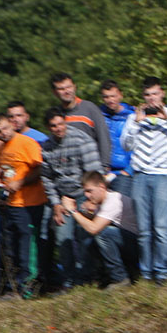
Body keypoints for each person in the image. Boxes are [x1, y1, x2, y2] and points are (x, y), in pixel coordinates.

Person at [121, 78, 167, 284]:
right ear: (143, 97)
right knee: (144, 230)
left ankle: (163, 272)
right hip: (141, 175)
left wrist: (166, 118)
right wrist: (136, 123)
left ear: (162, 95)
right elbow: (126, 145)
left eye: (155, 94)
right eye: (148, 95)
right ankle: (147, 273)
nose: (152, 98)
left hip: (165, 175)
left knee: (162, 227)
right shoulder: (134, 118)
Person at [41, 108, 103, 288]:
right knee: (63, 239)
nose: (58, 129)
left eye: (61, 124)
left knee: (85, 237)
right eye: (53, 126)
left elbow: (94, 172)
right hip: (62, 198)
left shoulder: (81, 140)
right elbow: (47, 178)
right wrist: (56, 204)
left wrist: (91, 200)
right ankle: (69, 280)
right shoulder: (46, 148)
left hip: (84, 194)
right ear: (48, 127)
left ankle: (88, 277)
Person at [0, 114, 45, 293]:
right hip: (12, 203)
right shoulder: (1, 147)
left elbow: (40, 169)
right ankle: (13, 284)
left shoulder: (27, 143)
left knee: (25, 245)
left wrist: (20, 183)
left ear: (12, 125)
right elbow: (8, 173)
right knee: (10, 245)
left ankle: (26, 284)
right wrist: (0, 191)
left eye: (5, 128)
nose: (2, 133)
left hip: (30, 202)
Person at [69, 171, 138, 288]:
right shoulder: (103, 202)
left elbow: (94, 228)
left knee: (103, 235)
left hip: (138, 246)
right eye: (85, 191)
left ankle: (120, 278)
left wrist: (72, 210)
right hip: (129, 243)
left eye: (89, 191)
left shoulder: (113, 201)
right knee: (89, 238)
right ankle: (104, 276)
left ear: (101, 187)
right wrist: (84, 212)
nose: (86, 195)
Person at [49, 72, 111, 170]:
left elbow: (103, 137)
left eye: (68, 87)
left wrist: (105, 165)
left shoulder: (89, 108)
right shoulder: (56, 114)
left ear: (74, 87)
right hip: (68, 170)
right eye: (61, 89)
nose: (66, 91)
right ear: (54, 92)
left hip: (91, 167)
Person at [100, 81, 135, 195]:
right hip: (104, 172)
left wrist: (128, 170)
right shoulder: (99, 116)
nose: (110, 100)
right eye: (106, 97)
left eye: (113, 96)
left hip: (124, 173)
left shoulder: (131, 116)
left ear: (120, 95)